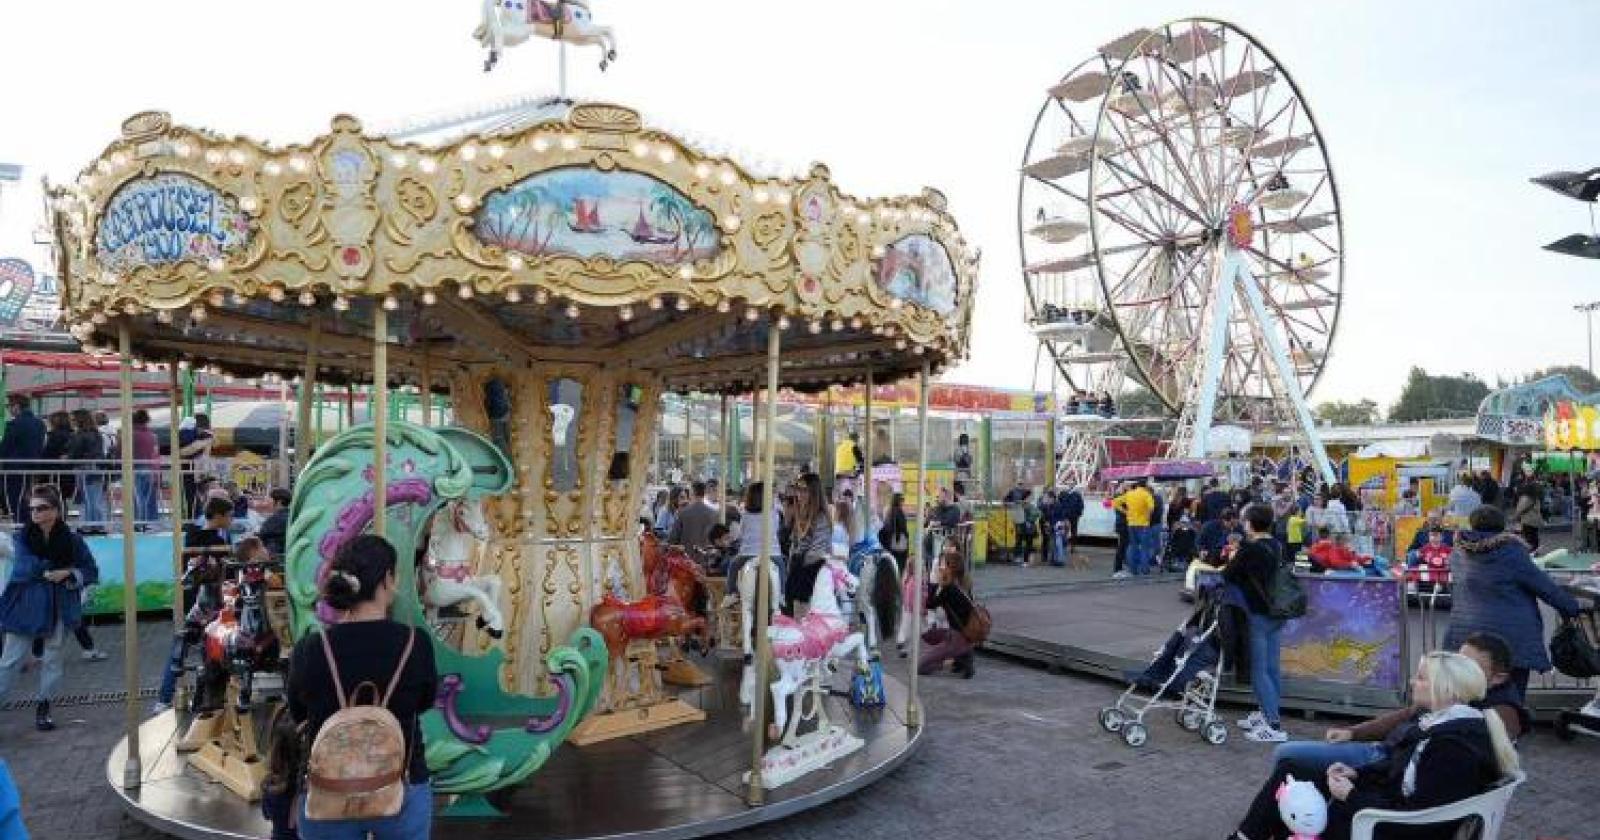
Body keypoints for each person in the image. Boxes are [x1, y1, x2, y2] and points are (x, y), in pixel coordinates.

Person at [1230, 650, 1519, 840]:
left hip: (1389, 824)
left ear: (1444, 688)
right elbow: (1398, 767)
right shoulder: (1441, 724)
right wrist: (1359, 774)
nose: (1412, 682)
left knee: (1296, 796)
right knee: (1292, 768)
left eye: (1420, 678)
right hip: (1385, 806)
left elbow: (1420, 819)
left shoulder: (1452, 747)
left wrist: (1352, 795)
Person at [289, 535, 437, 839]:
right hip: (401, 782)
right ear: (387, 580)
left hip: (329, 788)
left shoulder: (311, 649)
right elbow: (425, 700)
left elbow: (298, 712)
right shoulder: (415, 643)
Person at [1267, 634, 1529, 788]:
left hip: (1392, 763)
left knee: (1287, 756)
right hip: (1389, 756)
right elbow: (1406, 714)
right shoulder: (1456, 696)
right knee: (1290, 759)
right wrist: (1353, 732)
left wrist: (1360, 785)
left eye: (1467, 664)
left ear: (1497, 678)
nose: (1456, 667)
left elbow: (1436, 780)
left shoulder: (1494, 714)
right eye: (1458, 659)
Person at [1443, 504, 1580, 702]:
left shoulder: (1458, 553)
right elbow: (1545, 588)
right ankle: (1508, 729)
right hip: (1511, 638)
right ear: (1502, 526)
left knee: (1471, 695)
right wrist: (1572, 607)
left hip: (1466, 636)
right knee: (1511, 697)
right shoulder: (1511, 553)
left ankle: (1477, 728)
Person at [0, 484, 99, 731]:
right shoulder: (22, 537)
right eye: (32, 508)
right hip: (26, 605)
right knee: (9, 661)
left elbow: (90, 571)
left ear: (55, 510)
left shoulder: (73, 540)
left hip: (59, 606)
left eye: (41, 508)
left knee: (52, 660)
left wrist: (69, 572)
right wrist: (50, 570)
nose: (35, 513)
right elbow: (25, 567)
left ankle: (44, 707)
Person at [1223, 503, 1290, 743]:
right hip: (1276, 613)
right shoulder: (1275, 544)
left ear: (1251, 523)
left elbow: (1228, 574)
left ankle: (1272, 724)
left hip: (1257, 613)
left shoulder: (1250, 549)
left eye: (1244, 520)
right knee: (1272, 668)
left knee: (1259, 670)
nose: (1242, 523)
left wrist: (1234, 554)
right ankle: (1267, 714)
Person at [919, 546, 976, 679]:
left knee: (921, 667)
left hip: (956, 636)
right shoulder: (965, 583)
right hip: (966, 633)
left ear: (951, 567)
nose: (940, 567)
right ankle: (963, 654)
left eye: (943, 564)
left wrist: (935, 583)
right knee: (928, 635)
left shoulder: (948, 589)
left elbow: (930, 604)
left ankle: (956, 659)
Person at [783, 473, 833, 617]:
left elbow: (817, 551)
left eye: (804, 490)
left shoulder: (821, 516)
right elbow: (794, 543)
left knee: (798, 582)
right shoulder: (800, 513)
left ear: (813, 492)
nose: (799, 494)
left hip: (816, 563)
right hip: (800, 563)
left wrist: (798, 560)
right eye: (798, 489)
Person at [0, 395, 46, 519]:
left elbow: (5, 447)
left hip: (14, 468)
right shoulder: (40, 423)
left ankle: (21, 526)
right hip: (34, 467)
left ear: (16, 406)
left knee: (15, 498)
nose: (9, 409)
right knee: (29, 498)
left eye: (9, 406)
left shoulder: (14, 424)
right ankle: (29, 525)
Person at [66, 408, 108, 533]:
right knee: (95, 498)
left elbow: (75, 453)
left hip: (84, 468)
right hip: (98, 467)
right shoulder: (96, 434)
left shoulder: (80, 435)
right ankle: (98, 525)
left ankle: (87, 525)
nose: (72, 422)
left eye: (73, 419)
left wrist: (67, 457)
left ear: (80, 420)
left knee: (87, 498)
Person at [1112, 480, 1157, 576]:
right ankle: (1145, 570)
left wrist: (1126, 512)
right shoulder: (1146, 494)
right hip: (1144, 524)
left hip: (1131, 524)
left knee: (1133, 547)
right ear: (1145, 486)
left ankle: (1133, 569)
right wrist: (1147, 516)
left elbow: (1115, 502)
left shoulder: (1130, 494)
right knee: (1145, 548)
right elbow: (1151, 507)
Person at [127, 409, 161, 527]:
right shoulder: (153, 436)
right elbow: (155, 454)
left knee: (138, 498)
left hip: (134, 468)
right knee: (150, 498)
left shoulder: (130, 435)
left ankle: (138, 522)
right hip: (151, 469)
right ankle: (151, 522)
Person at [178, 414, 216, 517]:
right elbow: (184, 451)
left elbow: (186, 451)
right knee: (195, 498)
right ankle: (196, 519)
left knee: (195, 498)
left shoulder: (203, 436)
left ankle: (196, 520)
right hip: (195, 471)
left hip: (195, 471)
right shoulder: (203, 436)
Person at [667, 481, 718, 553]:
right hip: (706, 556)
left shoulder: (683, 513)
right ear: (704, 493)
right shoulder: (713, 514)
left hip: (687, 557)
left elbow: (673, 538)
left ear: (692, 493)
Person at [257, 488, 292, 557]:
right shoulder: (292, 516)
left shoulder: (275, 519)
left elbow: (261, 536)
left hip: (274, 558)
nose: (267, 503)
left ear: (279, 502)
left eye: (269, 500)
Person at [878, 492, 910, 569]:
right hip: (899, 545)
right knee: (899, 566)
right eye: (902, 500)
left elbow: (884, 529)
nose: (903, 503)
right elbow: (903, 529)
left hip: (889, 545)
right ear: (899, 501)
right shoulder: (899, 512)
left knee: (892, 566)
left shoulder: (889, 512)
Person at [1512, 483, 1543, 552]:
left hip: (1527, 520)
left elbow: (1520, 509)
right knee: (1534, 536)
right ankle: (1535, 550)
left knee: (1528, 537)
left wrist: (1515, 517)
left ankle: (1530, 551)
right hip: (1535, 521)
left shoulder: (1525, 498)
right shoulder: (1536, 498)